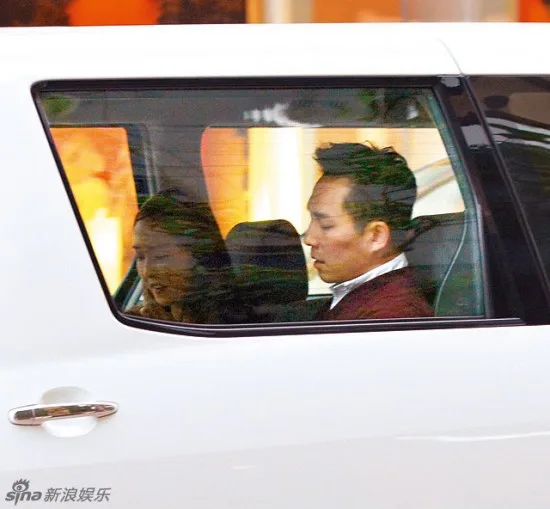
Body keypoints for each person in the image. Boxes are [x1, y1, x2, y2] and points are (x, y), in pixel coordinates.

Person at [304, 142, 433, 320]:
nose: (309, 239)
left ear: (376, 236)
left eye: (326, 225)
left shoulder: (391, 315)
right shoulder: (362, 298)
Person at [126, 189, 243, 324]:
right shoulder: (133, 323)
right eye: (140, 257)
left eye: (160, 256)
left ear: (200, 256)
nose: (147, 271)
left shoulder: (238, 323)